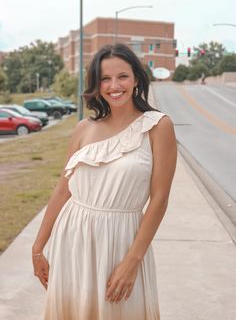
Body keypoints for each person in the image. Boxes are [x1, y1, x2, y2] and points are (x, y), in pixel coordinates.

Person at [32, 43, 177, 320]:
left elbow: (160, 199)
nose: (114, 85)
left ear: (136, 78)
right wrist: (38, 247)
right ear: (96, 86)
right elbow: (63, 190)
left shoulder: (158, 126)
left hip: (122, 242)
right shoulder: (83, 129)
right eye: (105, 79)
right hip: (72, 240)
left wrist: (133, 261)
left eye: (122, 76)